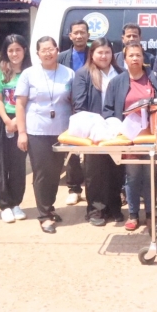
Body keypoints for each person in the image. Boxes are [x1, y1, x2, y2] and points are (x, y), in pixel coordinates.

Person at [15, 36, 74, 234]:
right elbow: (20, 105)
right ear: (37, 54)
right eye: (44, 50)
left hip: (62, 132)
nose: (48, 53)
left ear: (57, 50)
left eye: (51, 49)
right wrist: (22, 133)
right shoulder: (29, 74)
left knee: (56, 172)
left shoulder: (68, 73)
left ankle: (49, 207)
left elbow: (73, 101)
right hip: (37, 131)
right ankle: (44, 215)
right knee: (42, 173)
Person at [103, 41, 157, 231]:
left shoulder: (154, 78)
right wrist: (118, 129)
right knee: (133, 176)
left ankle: (151, 214)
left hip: (151, 137)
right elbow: (108, 110)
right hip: (129, 138)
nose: (135, 58)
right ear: (125, 58)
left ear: (143, 57)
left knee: (150, 176)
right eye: (131, 55)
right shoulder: (117, 82)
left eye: (138, 55)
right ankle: (134, 214)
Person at [72, 38, 124, 226]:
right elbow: (79, 104)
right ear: (92, 54)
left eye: (107, 52)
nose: (104, 56)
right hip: (93, 130)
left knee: (116, 170)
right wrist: (96, 124)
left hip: (116, 130)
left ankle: (114, 207)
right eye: (100, 52)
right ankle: (96, 210)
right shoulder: (83, 74)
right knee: (95, 172)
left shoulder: (120, 73)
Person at [0, 34, 31, 224]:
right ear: (5, 52)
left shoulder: (30, 72)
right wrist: (7, 120)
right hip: (0, 120)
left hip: (22, 120)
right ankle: (4, 205)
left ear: (24, 50)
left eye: (18, 50)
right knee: (0, 164)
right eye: (10, 50)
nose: (14, 54)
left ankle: (16, 203)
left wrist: (18, 122)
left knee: (18, 164)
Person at [58, 20, 89, 206]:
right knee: (72, 150)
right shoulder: (62, 57)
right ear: (70, 36)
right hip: (69, 109)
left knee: (93, 151)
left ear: (88, 35)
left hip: (91, 108)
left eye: (82, 32)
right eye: (75, 32)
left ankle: (93, 188)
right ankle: (74, 188)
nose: (79, 36)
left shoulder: (94, 54)